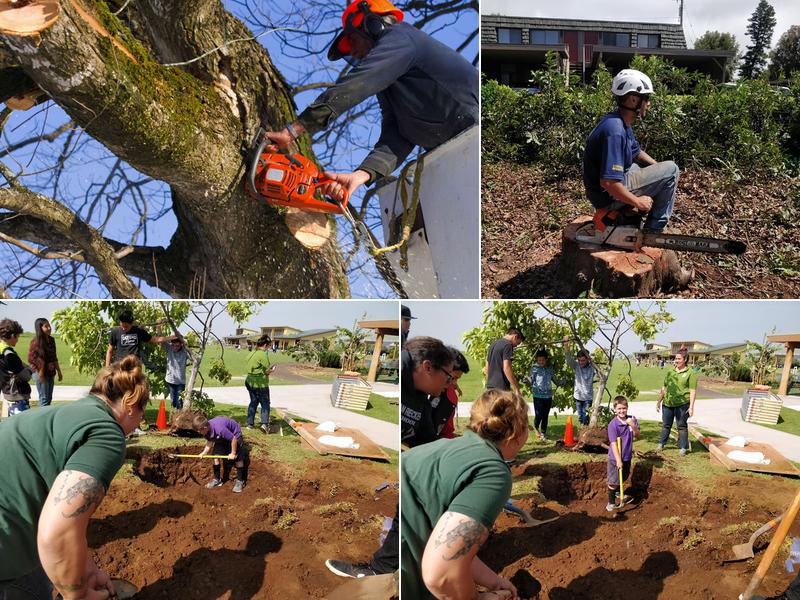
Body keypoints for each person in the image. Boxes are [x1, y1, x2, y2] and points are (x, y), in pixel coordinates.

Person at [265, 0, 478, 200]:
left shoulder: (402, 38)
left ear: (373, 25)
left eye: (353, 41)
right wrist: (361, 175)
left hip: (477, 130)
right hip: (455, 150)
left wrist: (293, 130)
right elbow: (397, 135)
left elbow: (357, 85)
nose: (355, 53)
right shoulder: (392, 83)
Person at [0, 355, 149, 600]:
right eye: (142, 414)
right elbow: (56, 534)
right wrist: (78, 594)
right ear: (131, 407)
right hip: (6, 542)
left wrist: (87, 571)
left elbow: (66, 521)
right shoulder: (108, 434)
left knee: (39, 582)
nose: (139, 422)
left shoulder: (69, 414)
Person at [401, 389, 529, 599]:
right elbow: (440, 575)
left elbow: (453, 543)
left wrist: (492, 580)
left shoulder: (446, 447)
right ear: (518, 431)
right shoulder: (493, 472)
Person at [583, 69, 679, 232]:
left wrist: (657, 168)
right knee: (672, 169)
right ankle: (653, 231)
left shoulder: (620, 121)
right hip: (605, 195)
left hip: (607, 188)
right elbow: (608, 182)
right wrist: (637, 201)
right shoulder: (615, 131)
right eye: (646, 98)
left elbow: (636, 152)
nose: (648, 103)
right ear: (634, 99)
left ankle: (626, 214)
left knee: (660, 169)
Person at [400, 336, 455, 448]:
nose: (450, 384)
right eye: (448, 376)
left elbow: (428, 444)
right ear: (428, 367)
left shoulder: (422, 398)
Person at [656, 346, 697, 456]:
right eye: (675, 358)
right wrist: (659, 402)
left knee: (682, 426)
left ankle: (683, 447)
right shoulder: (670, 372)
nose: (676, 361)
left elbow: (693, 391)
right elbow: (664, 387)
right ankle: (661, 444)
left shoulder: (691, 373)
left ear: (685, 360)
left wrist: (691, 407)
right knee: (666, 425)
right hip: (667, 403)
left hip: (682, 404)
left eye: (679, 359)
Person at [194, 414, 249, 493]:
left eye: (199, 430)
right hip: (222, 437)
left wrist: (233, 453)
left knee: (238, 458)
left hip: (234, 434)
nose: (198, 432)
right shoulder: (206, 431)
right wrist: (204, 453)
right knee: (215, 457)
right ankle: (217, 480)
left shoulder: (220, 429)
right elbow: (210, 441)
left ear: (205, 427)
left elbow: (233, 439)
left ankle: (240, 481)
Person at [606, 395, 640, 512]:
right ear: (615, 409)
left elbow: (637, 435)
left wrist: (633, 426)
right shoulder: (613, 425)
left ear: (627, 408)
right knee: (614, 481)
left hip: (627, 455)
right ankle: (610, 503)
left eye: (624, 408)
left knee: (624, 476)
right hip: (615, 457)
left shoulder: (632, 420)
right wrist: (618, 460)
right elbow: (614, 444)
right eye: (619, 409)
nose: (622, 411)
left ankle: (618, 494)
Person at [527, 349, 564, 440]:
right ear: (537, 360)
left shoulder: (549, 369)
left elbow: (555, 380)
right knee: (539, 414)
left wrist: (561, 382)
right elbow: (531, 380)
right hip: (538, 395)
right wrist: (527, 381)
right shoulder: (534, 369)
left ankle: (543, 432)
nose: (541, 362)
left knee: (545, 415)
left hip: (548, 396)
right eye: (539, 360)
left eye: (543, 360)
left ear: (546, 360)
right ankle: (535, 426)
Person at [27, 317, 62, 408]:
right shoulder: (35, 342)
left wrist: (59, 371)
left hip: (50, 372)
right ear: (40, 328)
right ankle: (42, 420)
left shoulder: (51, 340)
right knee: (44, 399)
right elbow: (31, 359)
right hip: (40, 373)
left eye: (49, 326)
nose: (49, 328)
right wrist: (43, 367)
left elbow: (54, 357)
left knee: (49, 399)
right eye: (46, 326)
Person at [0, 319, 32, 416]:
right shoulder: (9, 354)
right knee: (21, 428)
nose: (17, 340)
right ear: (13, 335)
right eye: (17, 337)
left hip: (7, 394)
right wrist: (29, 369)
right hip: (18, 398)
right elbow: (26, 376)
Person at [436, 347, 469, 439]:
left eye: (457, 379)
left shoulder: (450, 397)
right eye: (452, 378)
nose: (454, 383)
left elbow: (446, 432)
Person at [245, 335, 275, 433]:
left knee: (253, 402)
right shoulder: (262, 354)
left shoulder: (252, 352)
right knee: (265, 403)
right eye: (269, 346)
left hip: (250, 381)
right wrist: (272, 370)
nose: (269, 348)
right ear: (265, 345)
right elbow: (267, 370)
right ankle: (264, 424)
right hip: (260, 383)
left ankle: (249, 424)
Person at [563, 337, 594, 426]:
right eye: (579, 360)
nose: (581, 362)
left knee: (586, 416)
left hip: (588, 397)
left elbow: (600, 372)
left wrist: (592, 361)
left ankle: (585, 430)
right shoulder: (576, 366)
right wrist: (566, 345)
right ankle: (582, 430)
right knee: (580, 416)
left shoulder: (592, 368)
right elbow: (568, 359)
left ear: (588, 359)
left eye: (583, 360)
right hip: (578, 396)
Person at [485, 327, 524, 398]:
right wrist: (516, 389)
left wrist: (490, 382)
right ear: (515, 337)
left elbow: (487, 367)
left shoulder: (493, 344)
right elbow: (507, 368)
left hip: (490, 387)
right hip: (501, 388)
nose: (516, 346)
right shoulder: (508, 345)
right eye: (518, 343)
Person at [163, 336, 190, 410]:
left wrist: (186, 345)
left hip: (180, 381)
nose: (175, 347)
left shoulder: (184, 351)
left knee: (179, 401)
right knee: (173, 401)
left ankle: (179, 416)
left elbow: (193, 358)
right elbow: (161, 338)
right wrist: (159, 326)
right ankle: (175, 414)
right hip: (171, 380)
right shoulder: (169, 348)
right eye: (173, 345)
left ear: (181, 344)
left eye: (177, 345)